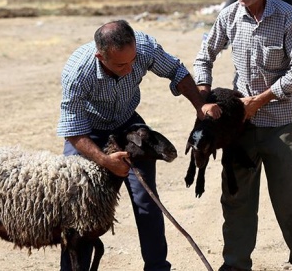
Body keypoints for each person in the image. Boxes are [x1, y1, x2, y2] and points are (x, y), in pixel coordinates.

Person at [57, 20, 218, 271]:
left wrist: (200, 104)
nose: (130, 68)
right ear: (101, 56)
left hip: (127, 124)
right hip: (89, 132)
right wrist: (106, 160)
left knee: (147, 200)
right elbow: (72, 130)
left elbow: (177, 72)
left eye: (133, 61)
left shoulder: (143, 47)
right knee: (80, 207)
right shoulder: (78, 72)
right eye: (121, 64)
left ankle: (156, 267)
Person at [193, 0, 292, 270]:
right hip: (241, 130)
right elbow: (202, 57)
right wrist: (204, 96)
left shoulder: (286, 16)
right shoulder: (229, 16)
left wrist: (260, 100)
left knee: (290, 202)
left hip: (282, 127)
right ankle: (235, 265)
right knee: (236, 201)